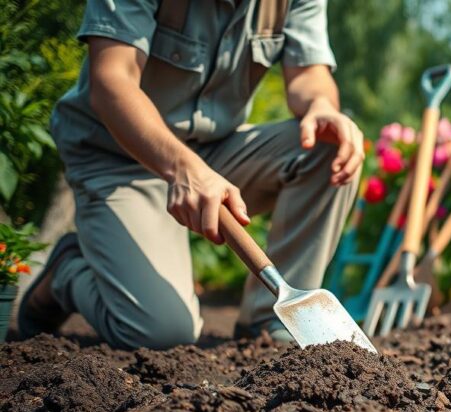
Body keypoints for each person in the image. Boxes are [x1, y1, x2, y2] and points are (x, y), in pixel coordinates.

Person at [18, 0, 363, 348]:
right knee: (161, 335)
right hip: (119, 158)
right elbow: (112, 79)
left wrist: (320, 104)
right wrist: (182, 168)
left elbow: (309, 74)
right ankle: (67, 269)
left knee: (329, 145)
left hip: (215, 153)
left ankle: (270, 320)